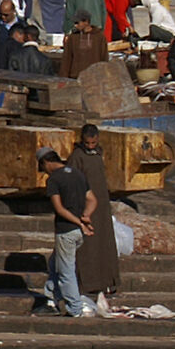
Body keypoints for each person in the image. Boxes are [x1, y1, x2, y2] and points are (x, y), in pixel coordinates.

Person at [42, 147, 96, 317]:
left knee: (66, 271)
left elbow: (59, 209)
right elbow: (92, 200)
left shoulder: (54, 179)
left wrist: (79, 222)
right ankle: (51, 299)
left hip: (67, 230)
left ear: (46, 162)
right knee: (54, 263)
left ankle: (75, 308)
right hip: (79, 232)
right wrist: (86, 216)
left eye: (42, 167)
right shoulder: (78, 174)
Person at [72, 123, 120, 300]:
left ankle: (107, 282)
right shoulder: (77, 157)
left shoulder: (99, 154)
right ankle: (88, 283)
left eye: (93, 143)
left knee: (105, 243)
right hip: (86, 207)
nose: (91, 146)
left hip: (102, 207)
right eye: (87, 143)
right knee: (88, 246)